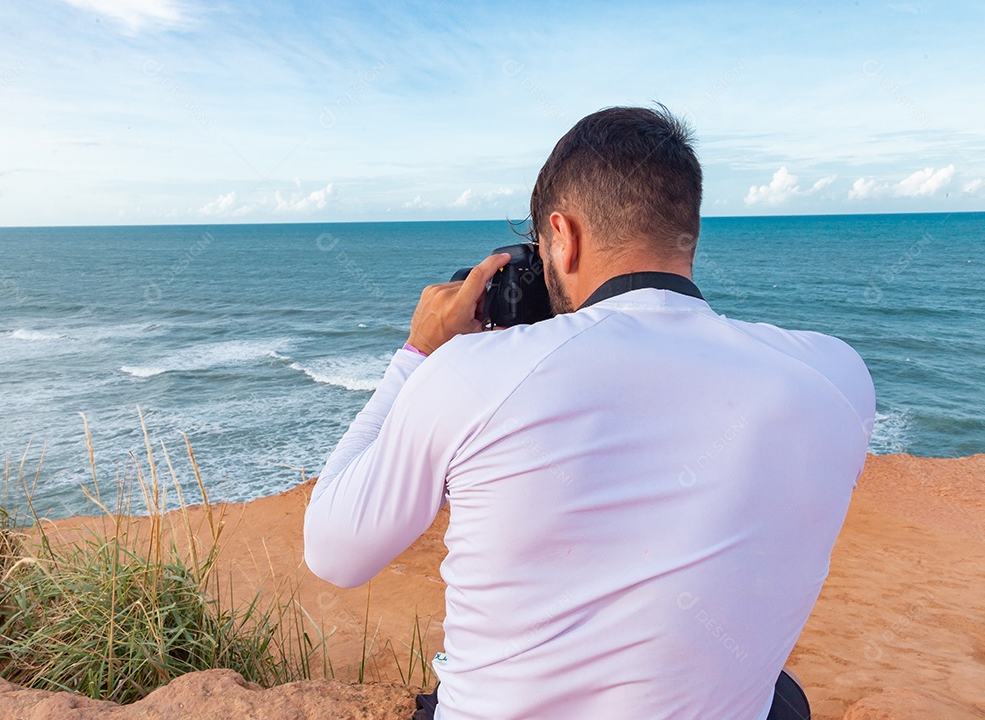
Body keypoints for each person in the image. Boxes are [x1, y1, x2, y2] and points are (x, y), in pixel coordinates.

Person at [303, 105, 875, 719]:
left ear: (563, 236)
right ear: (686, 229)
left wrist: (419, 353)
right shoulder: (835, 376)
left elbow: (334, 554)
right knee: (784, 699)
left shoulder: (470, 373)